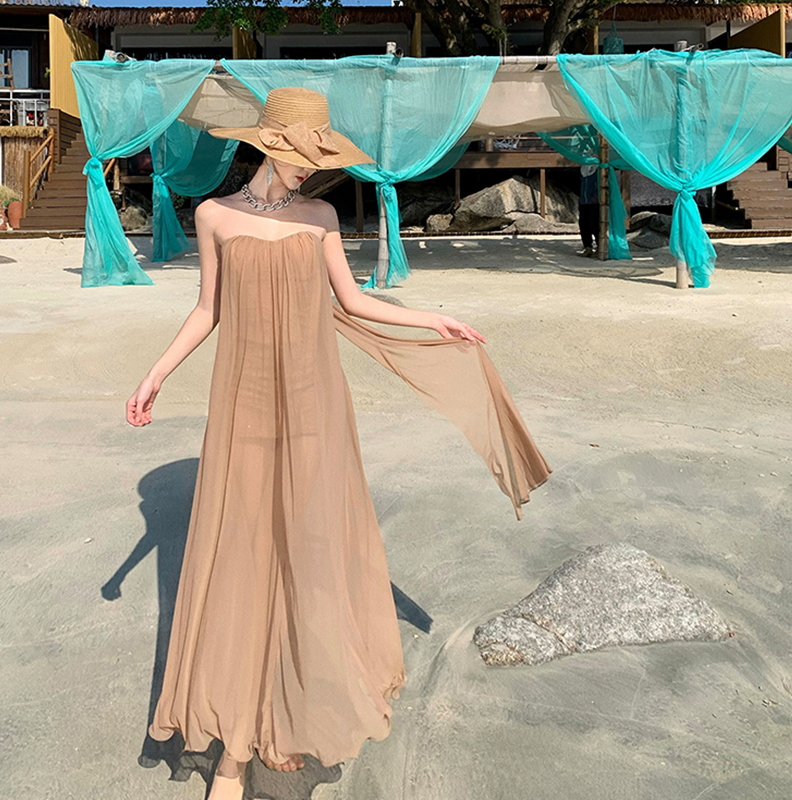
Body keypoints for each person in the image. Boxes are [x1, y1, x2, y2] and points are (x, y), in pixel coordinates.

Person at [126, 87, 550, 800]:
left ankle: (292, 718)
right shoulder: (214, 215)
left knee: (307, 548)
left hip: (312, 398)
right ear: (268, 146)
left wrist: (433, 320)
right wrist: (155, 375)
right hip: (242, 403)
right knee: (243, 555)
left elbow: (350, 302)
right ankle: (235, 749)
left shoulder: (321, 216)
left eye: (316, 158)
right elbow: (208, 309)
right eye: (298, 155)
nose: (308, 169)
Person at [578, 164, 599, 257]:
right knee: (583, 224)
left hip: (595, 202)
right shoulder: (583, 169)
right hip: (584, 201)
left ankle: (600, 246)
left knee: (595, 224)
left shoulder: (599, 168)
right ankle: (587, 247)